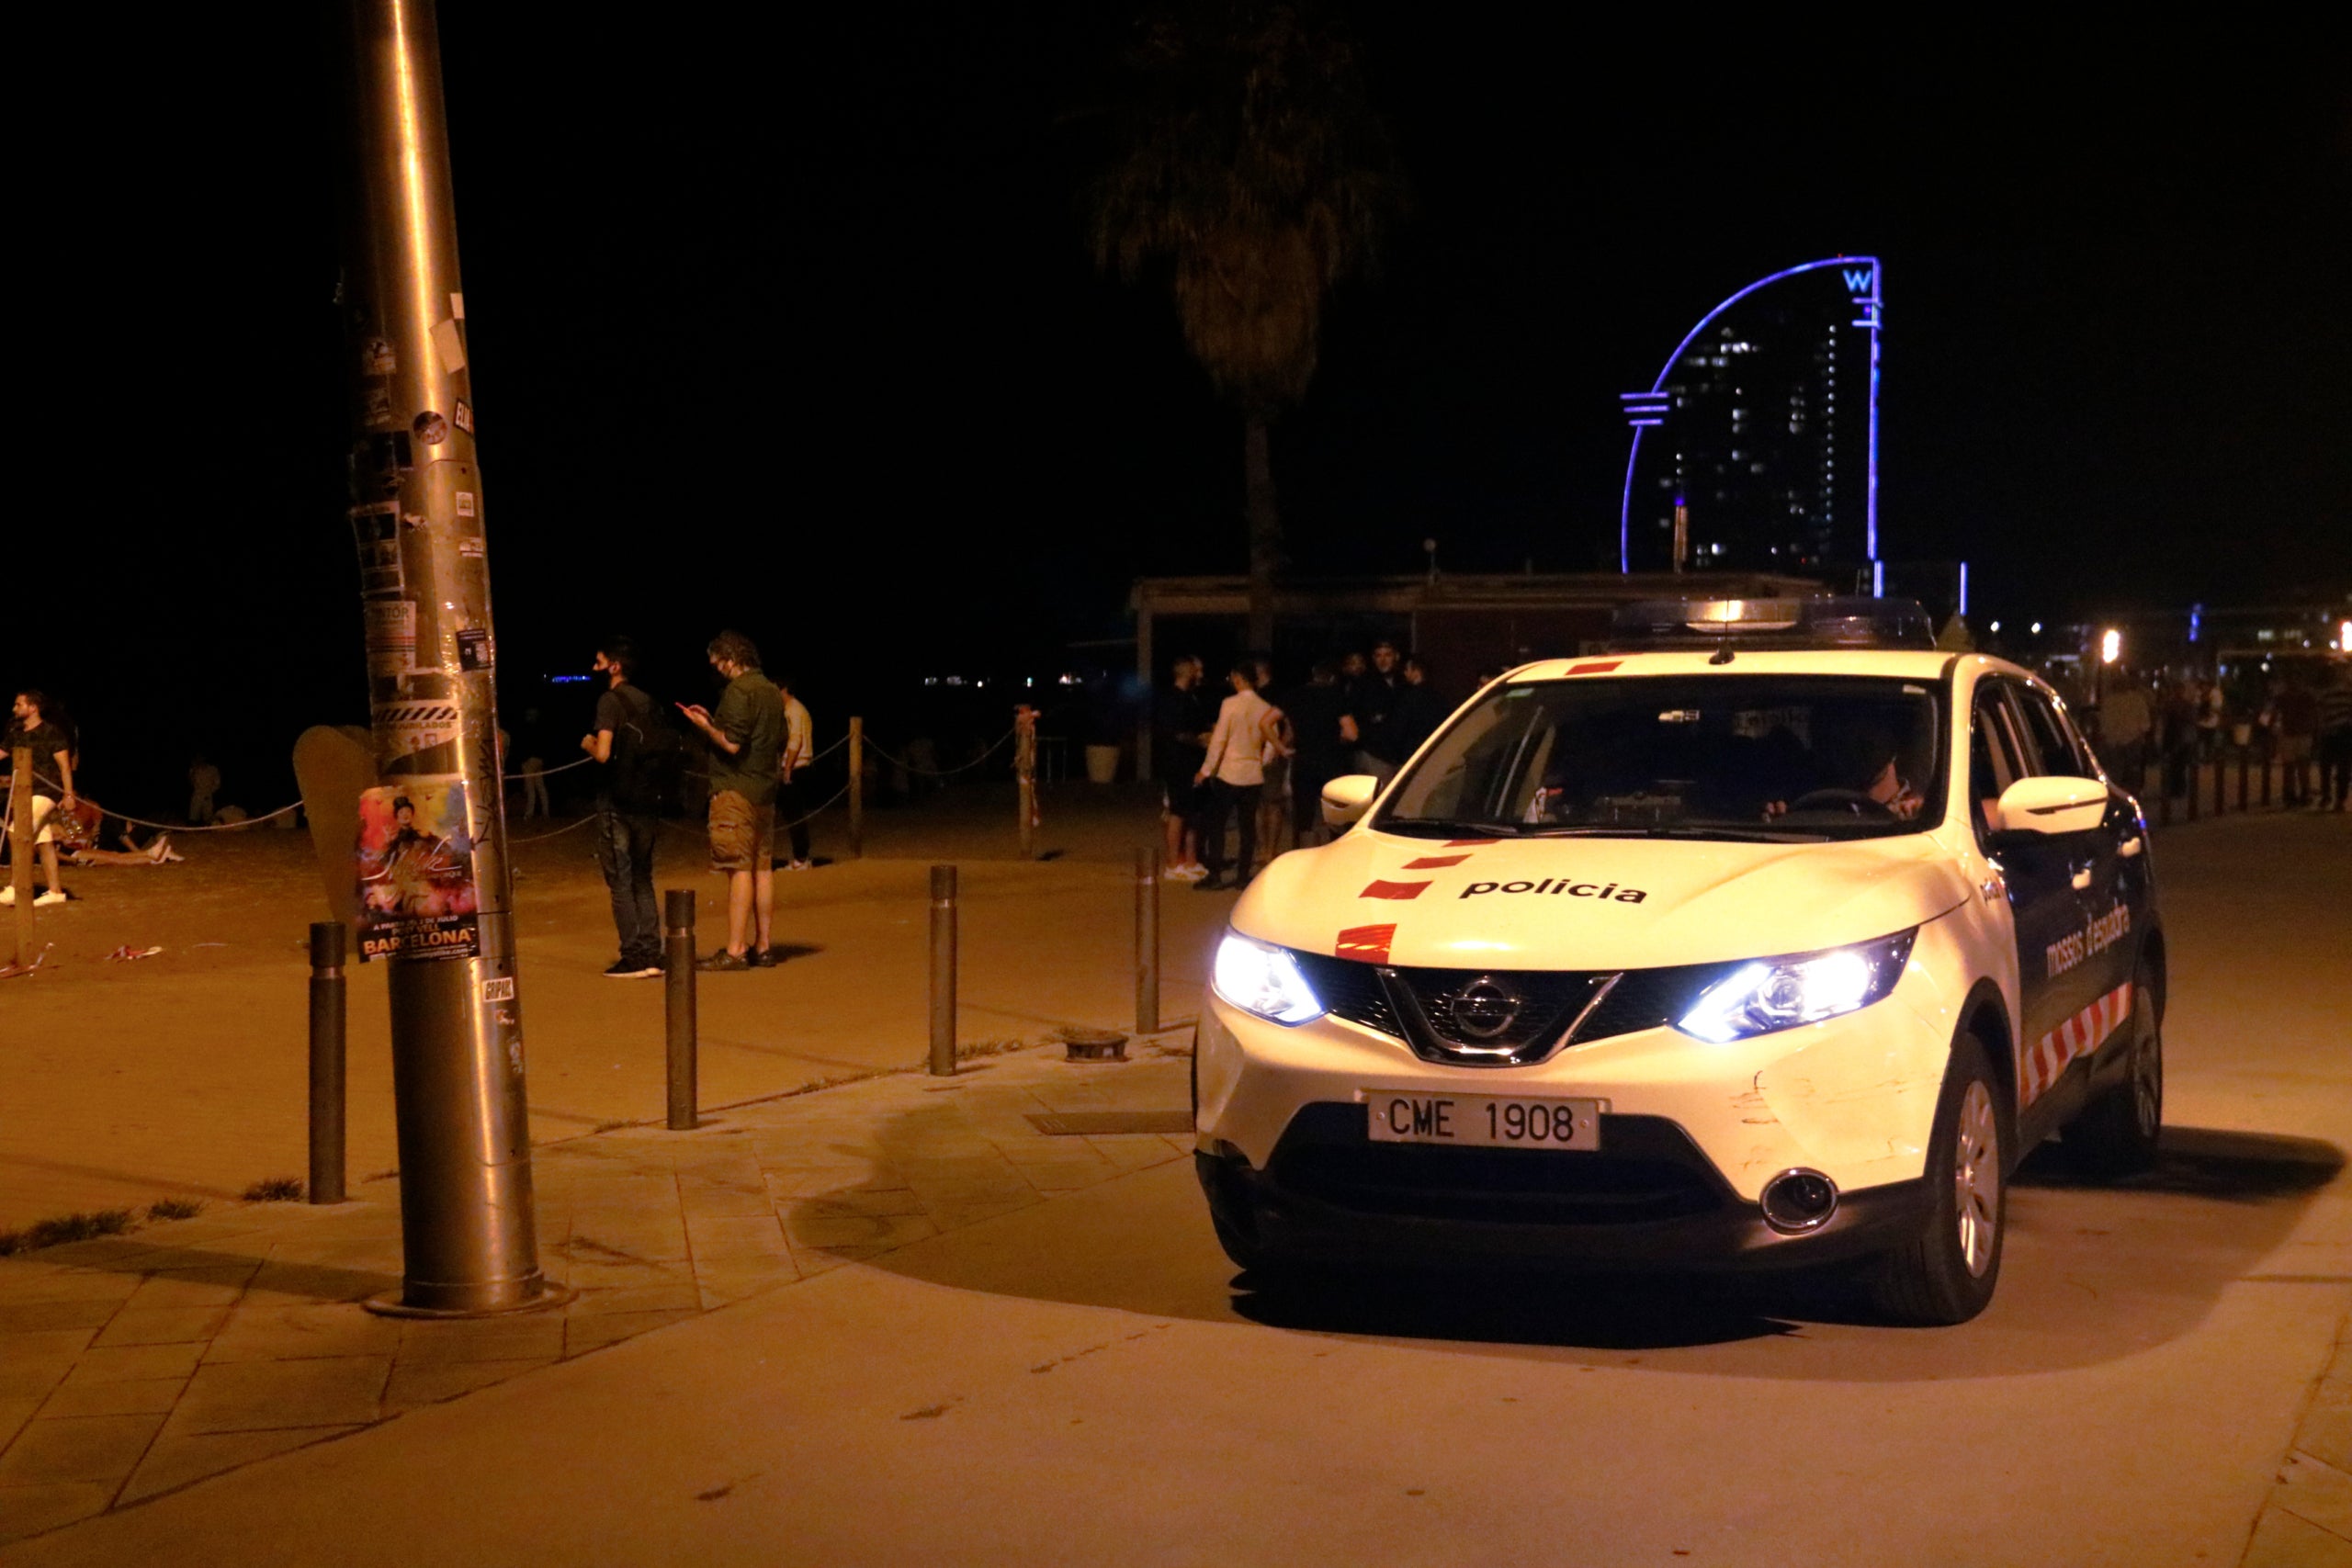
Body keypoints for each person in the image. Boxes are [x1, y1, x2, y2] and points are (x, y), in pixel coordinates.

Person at [678, 630, 786, 969]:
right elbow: (777, 737)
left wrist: (703, 726)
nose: (716, 670)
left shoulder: (739, 690)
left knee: (738, 869)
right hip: (764, 791)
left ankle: (736, 949)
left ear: (731, 659)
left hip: (735, 790)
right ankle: (763, 946)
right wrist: (714, 722)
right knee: (762, 868)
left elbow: (732, 744)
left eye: (717, 663)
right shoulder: (770, 690)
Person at [581, 636, 664, 978]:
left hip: (617, 801)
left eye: (599, 663)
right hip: (648, 801)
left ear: (614, 667)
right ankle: (652, 953)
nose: (594, 668)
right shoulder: (647, 701)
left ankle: (633, 956)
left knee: (620, 881)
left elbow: (603, 753)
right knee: (643, 878)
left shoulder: (609, 701)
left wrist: (587, 743)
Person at [1193, 658, 1274, 891]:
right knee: (1247, 826)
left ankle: (1216, 874)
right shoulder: (1264, 707)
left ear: (1238, 679)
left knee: (1217, 824)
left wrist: (1206, 770)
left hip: (1230, 772)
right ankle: (1242, 876)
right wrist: (1262, 762)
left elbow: (1219, 740)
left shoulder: (1230, 704)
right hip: (1253, 774)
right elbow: (1271, 741)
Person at [0, 689, 75, 908]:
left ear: (33, 707)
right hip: (25, 793)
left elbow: (64, 766)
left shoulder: (52, 732)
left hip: (46, 791)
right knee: (43, 841)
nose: (15, 709)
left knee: (17, 832)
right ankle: (55, 891)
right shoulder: (17, 732)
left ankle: (16, 887)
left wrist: (68, 794)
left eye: (19, 704)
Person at [1152, 656, 1211, 880]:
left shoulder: (1190, 697)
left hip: (1190, 763)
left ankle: (1190, 860)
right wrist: (1202, 740)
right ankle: (1172, 863)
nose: (1202, 674)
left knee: (1193, 812)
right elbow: (1176, 733)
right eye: (1199, 670)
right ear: (1188, 671)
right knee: (1178, 811)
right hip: (1177, 763)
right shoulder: (1172, 699)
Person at [1283, 660, 1349, 850]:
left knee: (1304, 817)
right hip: (1330, 763)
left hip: (1303, 762)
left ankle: (1304, 854)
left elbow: (1270, 722)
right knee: (1333, 816)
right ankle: (1331, 854)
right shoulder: (1335, 696)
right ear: (1332, 678)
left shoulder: (1295, 696)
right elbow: (1351, 732)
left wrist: (1281, 748)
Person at [1250, 656, 1291, 867]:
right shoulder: (1258, 694)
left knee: (1270, 803)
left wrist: (1278, 747)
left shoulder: (1275, 694)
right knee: (1262, 804)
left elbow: (1288, 725)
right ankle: (1265, 849)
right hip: (1256, 754)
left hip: (1269, 754)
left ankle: (1268, 849)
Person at [1346, 639, 1406, 783]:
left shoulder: (1402, 682)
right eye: (1378, 656)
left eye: (1387, 655)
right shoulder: (1364, 683)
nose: (1383, 660)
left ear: (1396, 656)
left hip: (1396, 753)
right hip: (1372, 752)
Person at [775, 674, 815, 871]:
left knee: (794, 815)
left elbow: (795, 740)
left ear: (783, 689)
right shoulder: (792, 709)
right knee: (792, 814)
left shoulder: (794, 710)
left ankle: (801, 858)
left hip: (797, 767)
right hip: (797, 766)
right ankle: (801, 856)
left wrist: (788, 767)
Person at [2096, 670, 2154, 794]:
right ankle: (2119, 794)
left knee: (2132, 770)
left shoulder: (2137, 699)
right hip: (2115, 741)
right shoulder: (2110, 701)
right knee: (2117, 771)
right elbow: (2105, 721)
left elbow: (2144, 720)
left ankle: (2132, 794)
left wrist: (2141, 734)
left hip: (2132, 740)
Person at [1390, 654, 1446, 765]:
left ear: (1416, 671)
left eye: (1407, 670)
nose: (1405, 673)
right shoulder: (1438, 696)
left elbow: (1401, 727)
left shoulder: (1409, 697)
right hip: (1434, 751)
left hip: (1411, 753)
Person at [2317, 666, 2352, 813]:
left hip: (2342, 731)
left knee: (2341, 767)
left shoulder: (2347, 693)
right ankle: (2329, 796)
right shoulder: (2328, 693)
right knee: (2327, 766)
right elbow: (2321, 711)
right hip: (2332, 731)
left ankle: (2337, 798)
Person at [187, 753, 220, 826]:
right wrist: (192, 772)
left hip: (207, 795)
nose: (199, 760)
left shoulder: (212, 769)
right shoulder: (194, 769)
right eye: (198, 758)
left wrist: (210, 792)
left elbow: (217, 783)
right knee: (193, 816)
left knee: (208, 817)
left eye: (201, 758)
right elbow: (191, 783)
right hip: (197, 794)